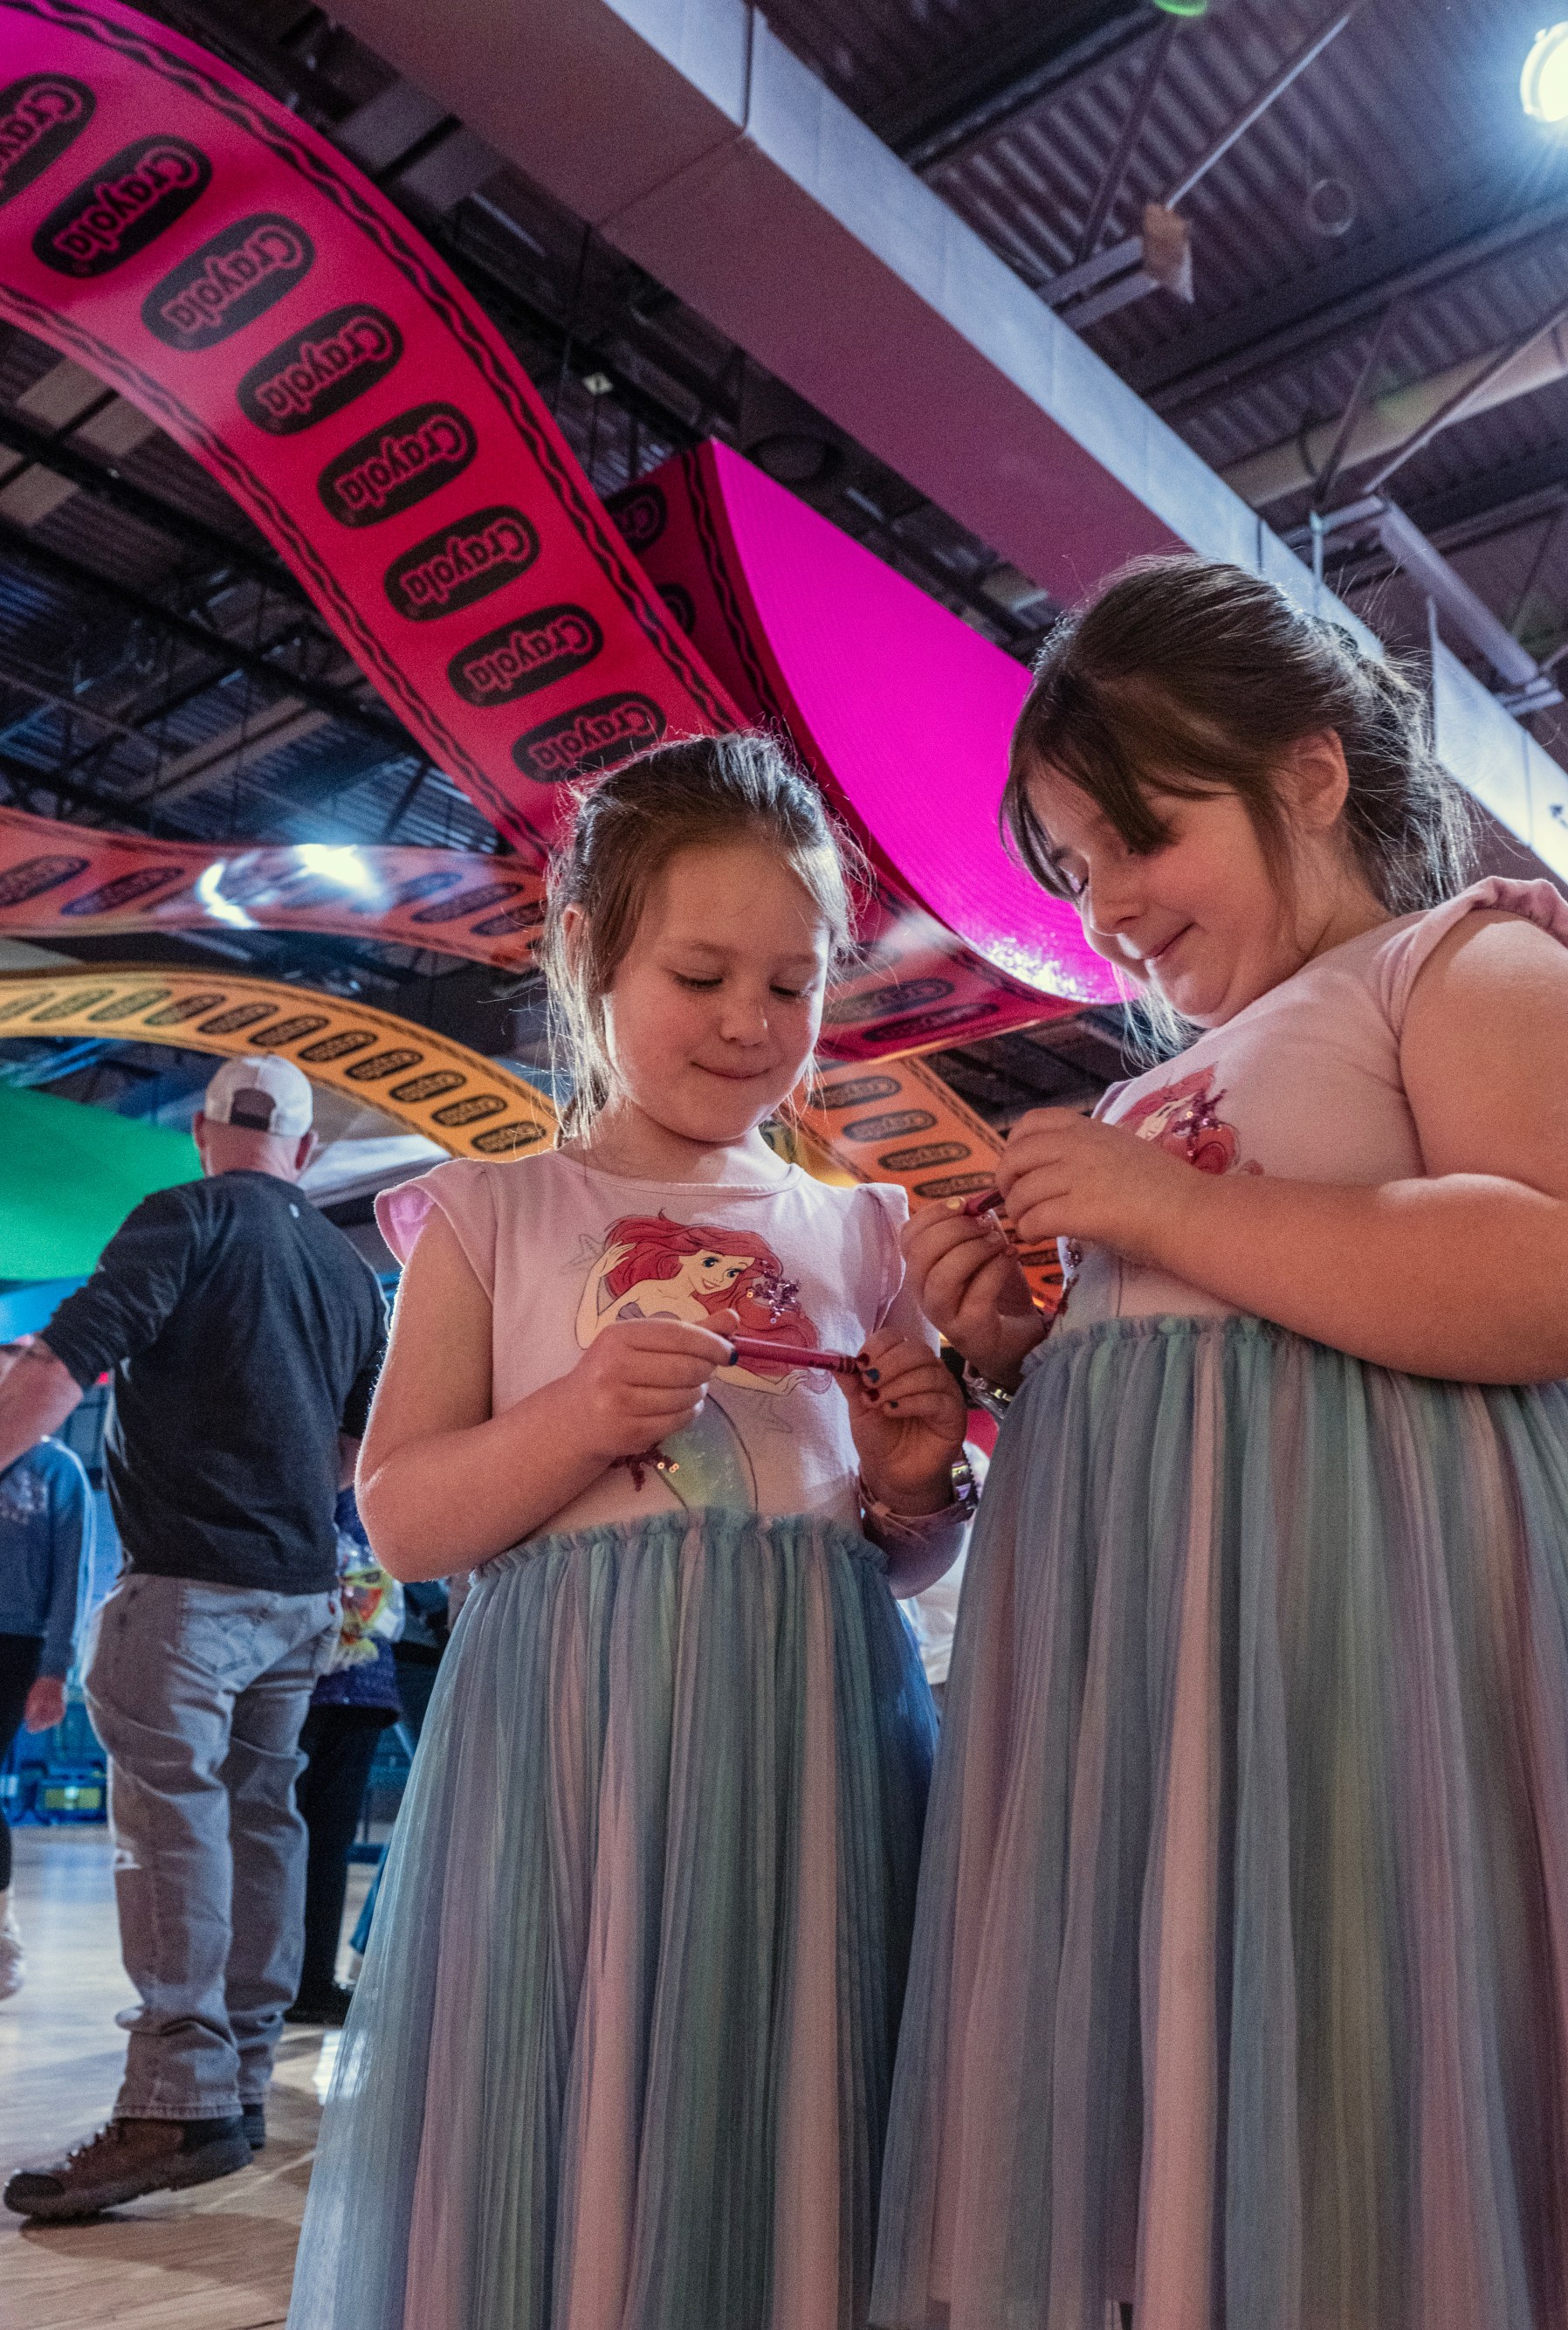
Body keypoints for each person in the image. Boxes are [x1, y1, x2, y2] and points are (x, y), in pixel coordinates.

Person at [874, 557, 1568, 2330]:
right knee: (1192, 2074)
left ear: (1309, 771)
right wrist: (1021, 1349)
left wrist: (1156, 1211)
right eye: (1072, 866)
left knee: (1381, 2057)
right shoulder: (1151, 1088)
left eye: (1142, 833)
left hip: (1375, 1670)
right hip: (1169, 1705)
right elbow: (1194, 1371)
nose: (1108, 904)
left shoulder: (1462, 960)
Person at [288, 733, 965, 2330]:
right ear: (587, 949)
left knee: (797, 2095)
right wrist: (577, 1418)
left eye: (793, 985)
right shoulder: (488, 1210)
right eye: (704, 970)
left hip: (815, 1753)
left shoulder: (857, 1230)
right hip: (568, 1764)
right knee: (569, 2099)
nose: (750, 1021)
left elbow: (899, 1553)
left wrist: (913, 1483)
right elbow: (404, 1512)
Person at [0, 1055, 386, 2222]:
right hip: (301, 1596)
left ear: (209, 1134)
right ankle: (239, 2085)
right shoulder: (345, 1267)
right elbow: (355, 1455)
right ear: (307, 1154)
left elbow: (63, 1361)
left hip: (183, 1594)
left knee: (170, 1834)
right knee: (261, 1822)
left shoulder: (183, 1215)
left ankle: (175, 2101)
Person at [286, 1488, 403, 2028]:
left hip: (358, 1687)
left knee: (325, 1847)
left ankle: (310, 1984)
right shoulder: (310, 1485)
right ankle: (276, 1982)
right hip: (300, 1686)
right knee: (282, 1843)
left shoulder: (372, 1492)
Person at [0, 1377, 93, 2002]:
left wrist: (55, 1671)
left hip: (17, 1645)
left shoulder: (56, 1469)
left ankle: (2, 1931)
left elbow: (72, 1578)